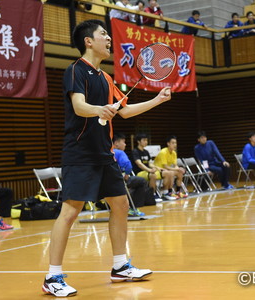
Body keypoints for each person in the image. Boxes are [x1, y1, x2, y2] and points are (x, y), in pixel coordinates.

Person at [42, 19, 172, 297]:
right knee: (70, 211)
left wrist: (157, 100)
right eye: (104, 35)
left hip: (104, 153)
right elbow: (78, 106)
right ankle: (52, 276)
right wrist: (98, 110)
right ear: (88, 41)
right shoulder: (76, 70)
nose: (109, 40)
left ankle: (120, 266)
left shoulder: (106, 78)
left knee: (121, 205)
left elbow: (124, 111)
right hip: (81, 152)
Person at [113, 133, 154, 210]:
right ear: (116, 143)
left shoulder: (105, 152)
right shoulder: (120, 153)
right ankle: (136, 205)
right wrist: (127, 174)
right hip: (119, 181)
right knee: (142, 181)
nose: (125, 144)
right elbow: (128, 165)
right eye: (124, 142)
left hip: (105, 182)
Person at [131, 133, 177, 201]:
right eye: (144, 140)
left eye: (146, 140)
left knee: (168, 173)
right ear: (138, 141)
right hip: (139, 173)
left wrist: (158, 168)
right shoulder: (135, 151)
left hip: (149, 171)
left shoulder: (146, 152)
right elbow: (139, 164)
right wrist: (149, 170)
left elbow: (150, 163)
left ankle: (165, 193)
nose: (146, 142)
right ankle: (152, 195)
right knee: (153, 175)